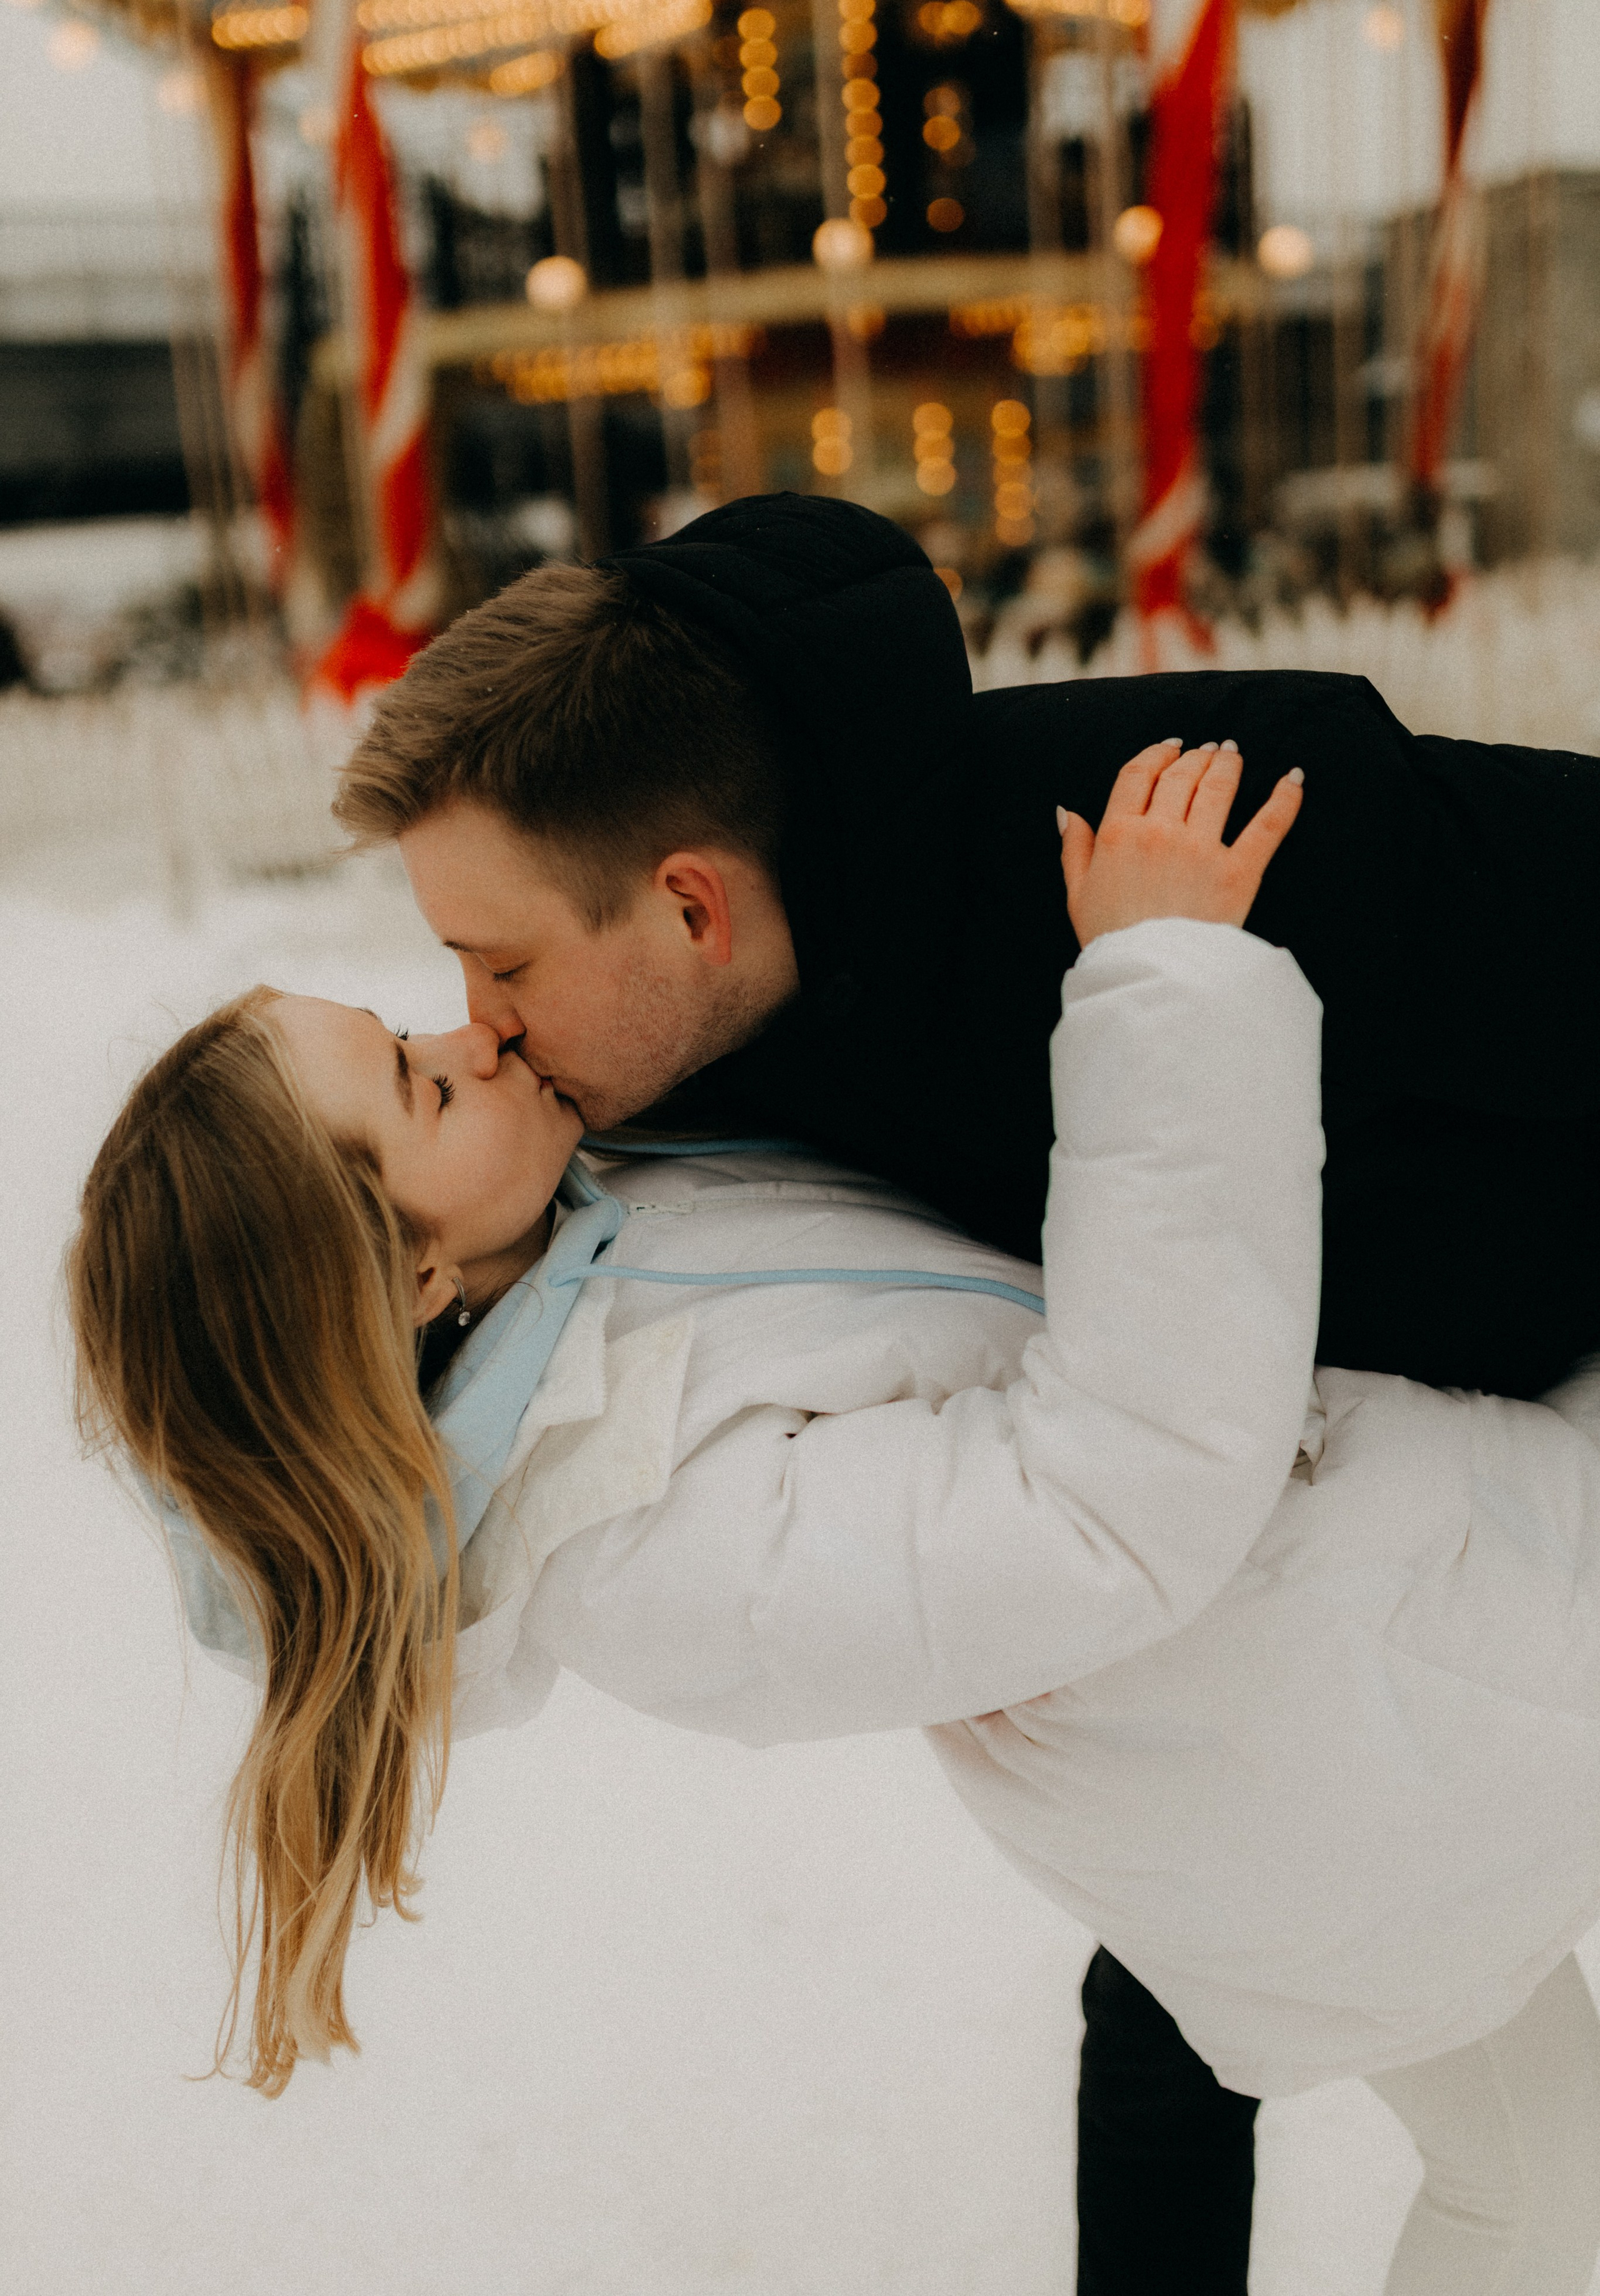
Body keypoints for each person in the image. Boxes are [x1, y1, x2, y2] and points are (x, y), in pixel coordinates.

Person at [72, 746, 1600, 2296]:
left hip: (1385, 1648)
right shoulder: (644, 1542)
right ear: (402, 1283)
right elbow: (1105, 1507)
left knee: (1542, 2171)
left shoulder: (586, 1227)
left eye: (411, 1027)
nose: (470, 1034)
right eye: (417, 1084)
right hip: (1366, 1729)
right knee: (1538, 2182)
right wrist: (1166, 981)